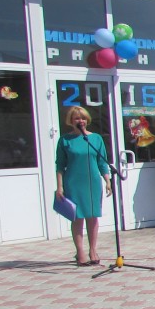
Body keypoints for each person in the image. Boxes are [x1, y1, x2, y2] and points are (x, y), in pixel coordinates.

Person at [55, 105, 112, 266]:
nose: (81, 121)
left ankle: (93, 250)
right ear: (71, 121)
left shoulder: (96, 139)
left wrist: (107, 180)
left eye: (83, 118)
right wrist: (60, 186)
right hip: (73, 182)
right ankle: (80, 251)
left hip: (92, 182)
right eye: (77, 118)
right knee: (78, 217)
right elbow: (60, 165)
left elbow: (102, 162)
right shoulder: (65, 140)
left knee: (92, 216)